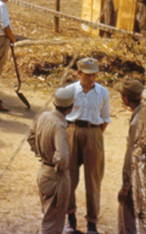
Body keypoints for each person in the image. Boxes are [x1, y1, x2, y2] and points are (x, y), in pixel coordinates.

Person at [62, 58, 111, 234]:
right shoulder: (69, 91)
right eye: (88, 74)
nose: (91, 78)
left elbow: (105, 119)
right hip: (73, 131)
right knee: (69, 177)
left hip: (93, 133)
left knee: (93, 180)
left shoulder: (103, 93)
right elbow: (63, 114)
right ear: (79, 73)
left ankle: (92, 222)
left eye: (94, 74)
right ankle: (71, 219)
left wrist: (94, 135)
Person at [28, 88, 75, 234]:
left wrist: (42, 154)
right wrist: (60, 170)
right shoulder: (60, 126)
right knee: (54, 221)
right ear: (70, 108)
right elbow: (62, 156)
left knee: (47, 214)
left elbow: (30, 137)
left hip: (43, 170)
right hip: (56, 176)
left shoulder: (44, 116)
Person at [117, 79, 144, 234]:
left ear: (126, 99)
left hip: (135, 178)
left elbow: (129, 157)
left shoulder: (136, 121)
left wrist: (125, 186)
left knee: (127, 219)